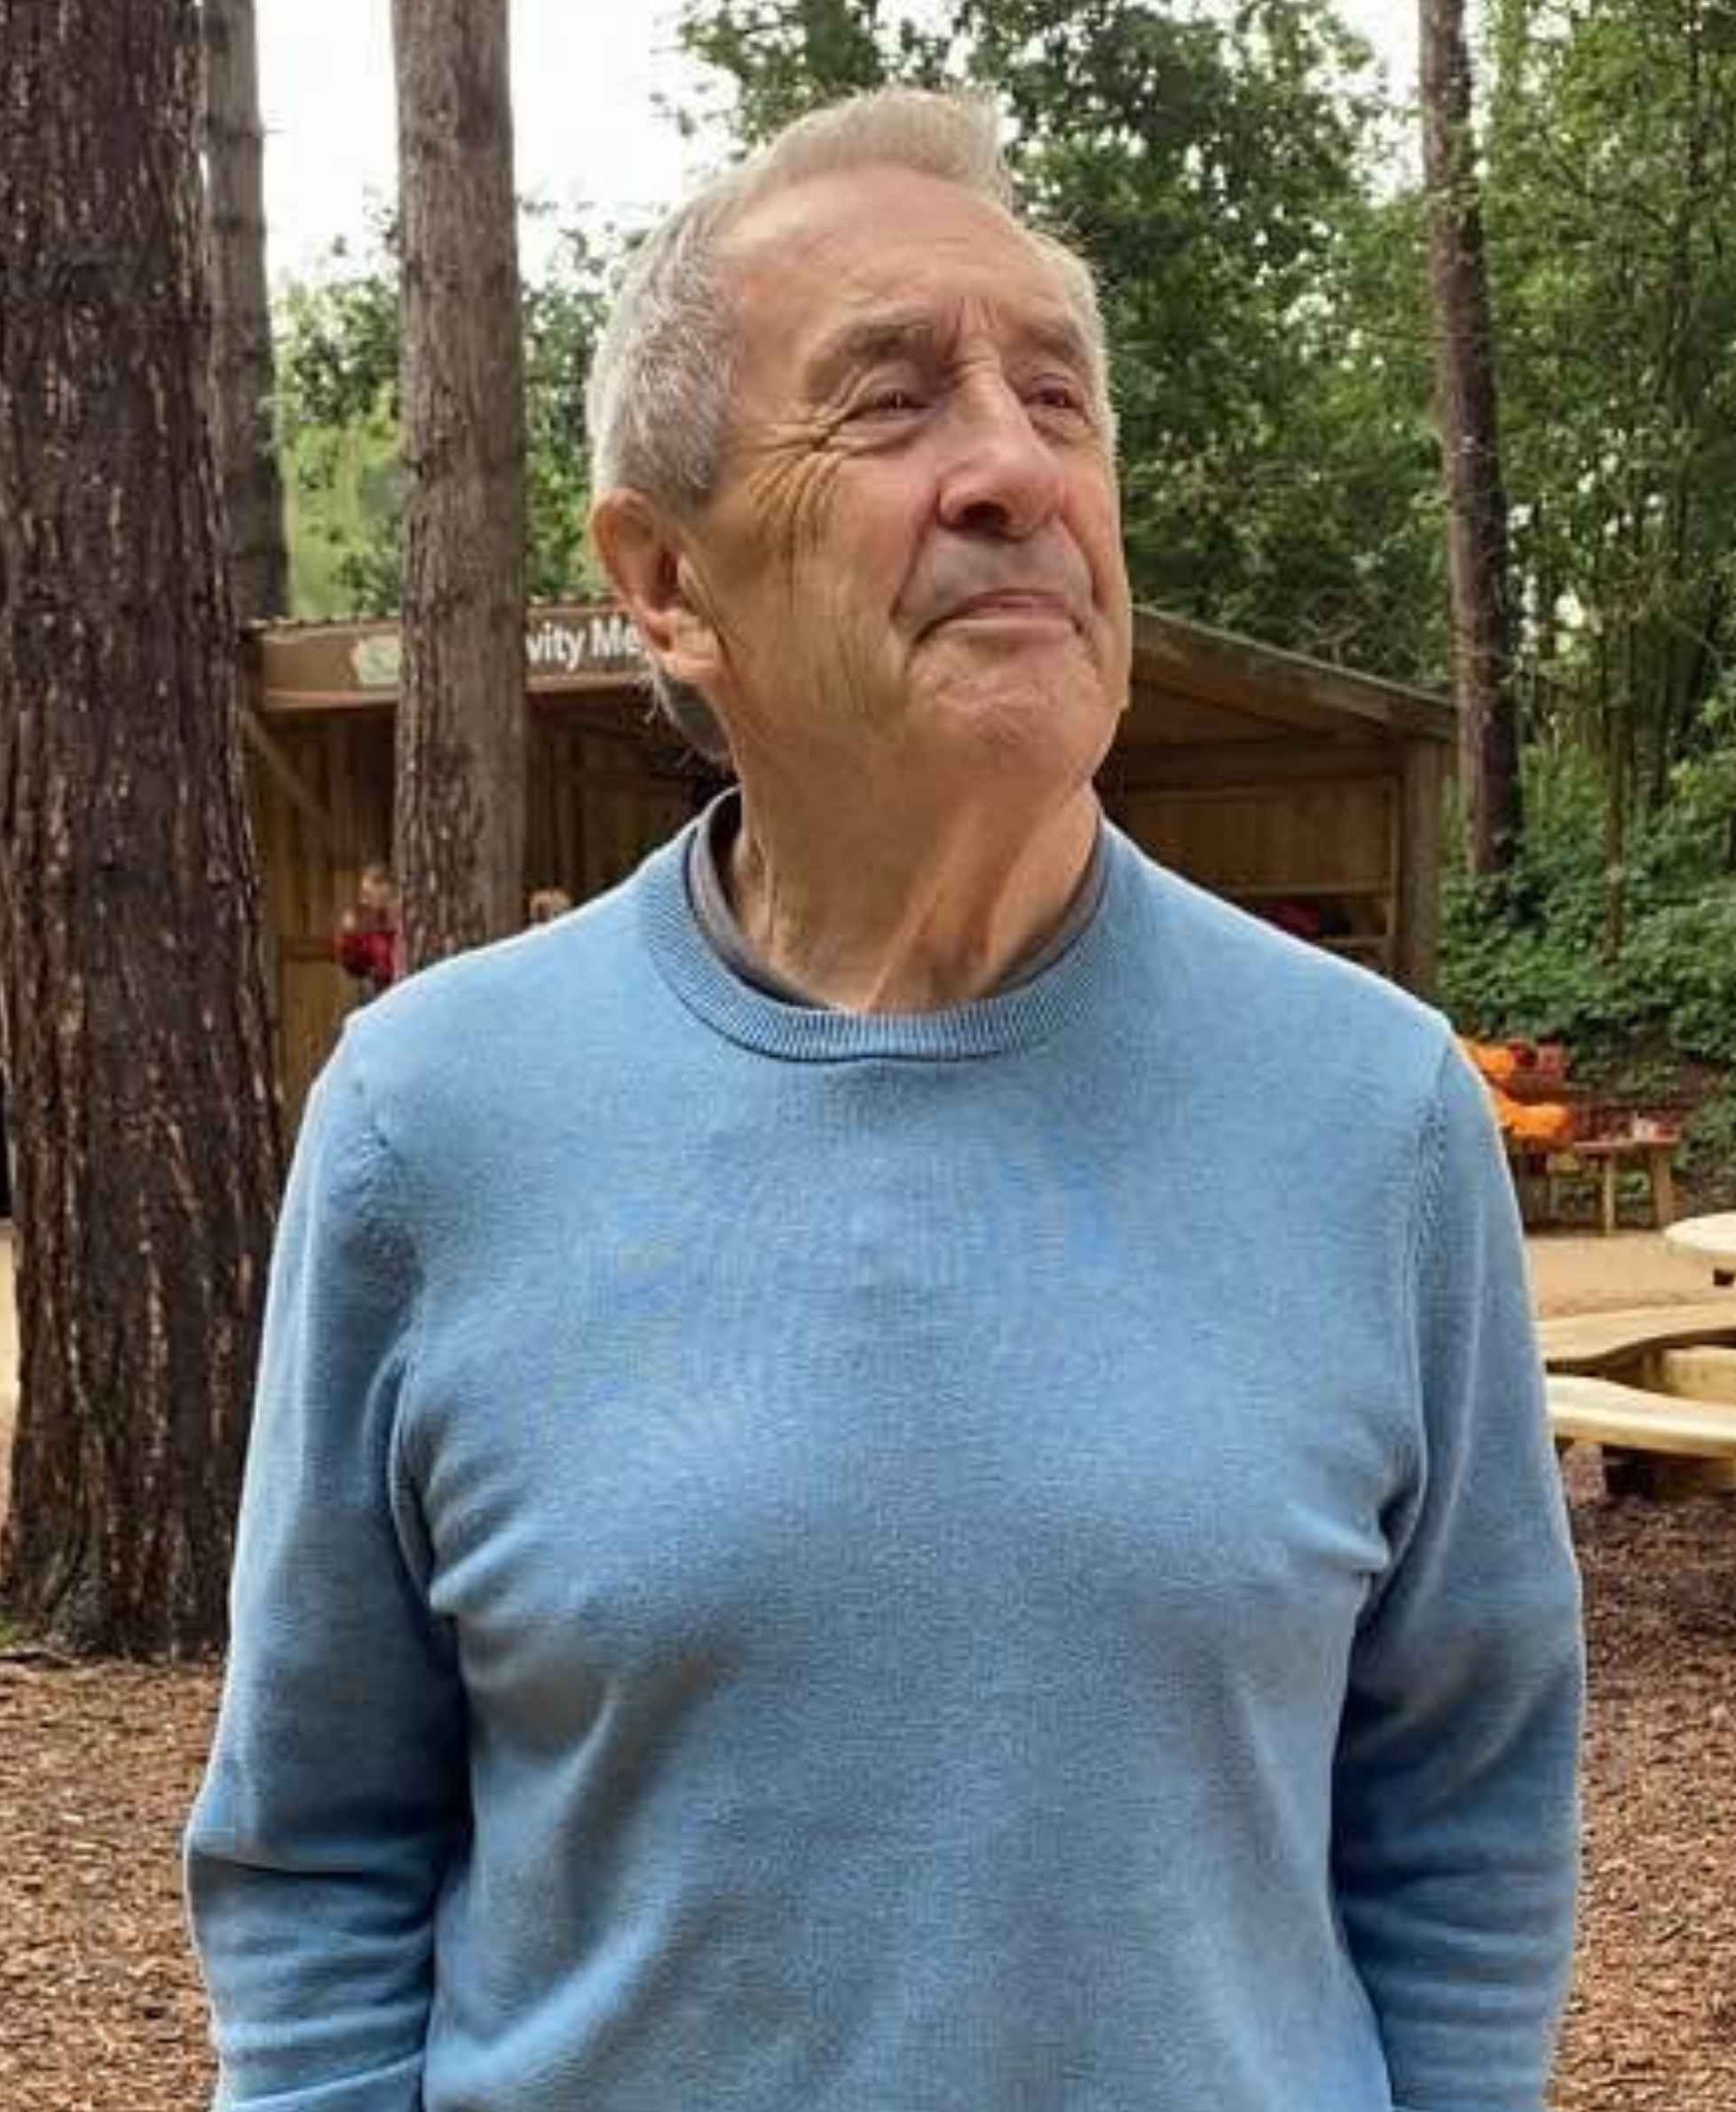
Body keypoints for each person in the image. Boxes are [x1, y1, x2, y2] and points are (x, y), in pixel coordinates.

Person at [185, 90, 1582, 2112]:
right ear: (668, 581)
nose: (1014, 467)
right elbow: (319, 1848)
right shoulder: (431, 1117)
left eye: (1057, 397)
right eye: (893, 400)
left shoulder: (1376, 1111)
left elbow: (1468, 1801)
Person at [331, 860, 398, 1000]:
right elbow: (355, 967)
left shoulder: (404, 919)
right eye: (364, 895)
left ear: (385, 889)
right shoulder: (370, 923)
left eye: (368, 894)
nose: (364, 901)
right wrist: (348, 937)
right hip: (383, 992)